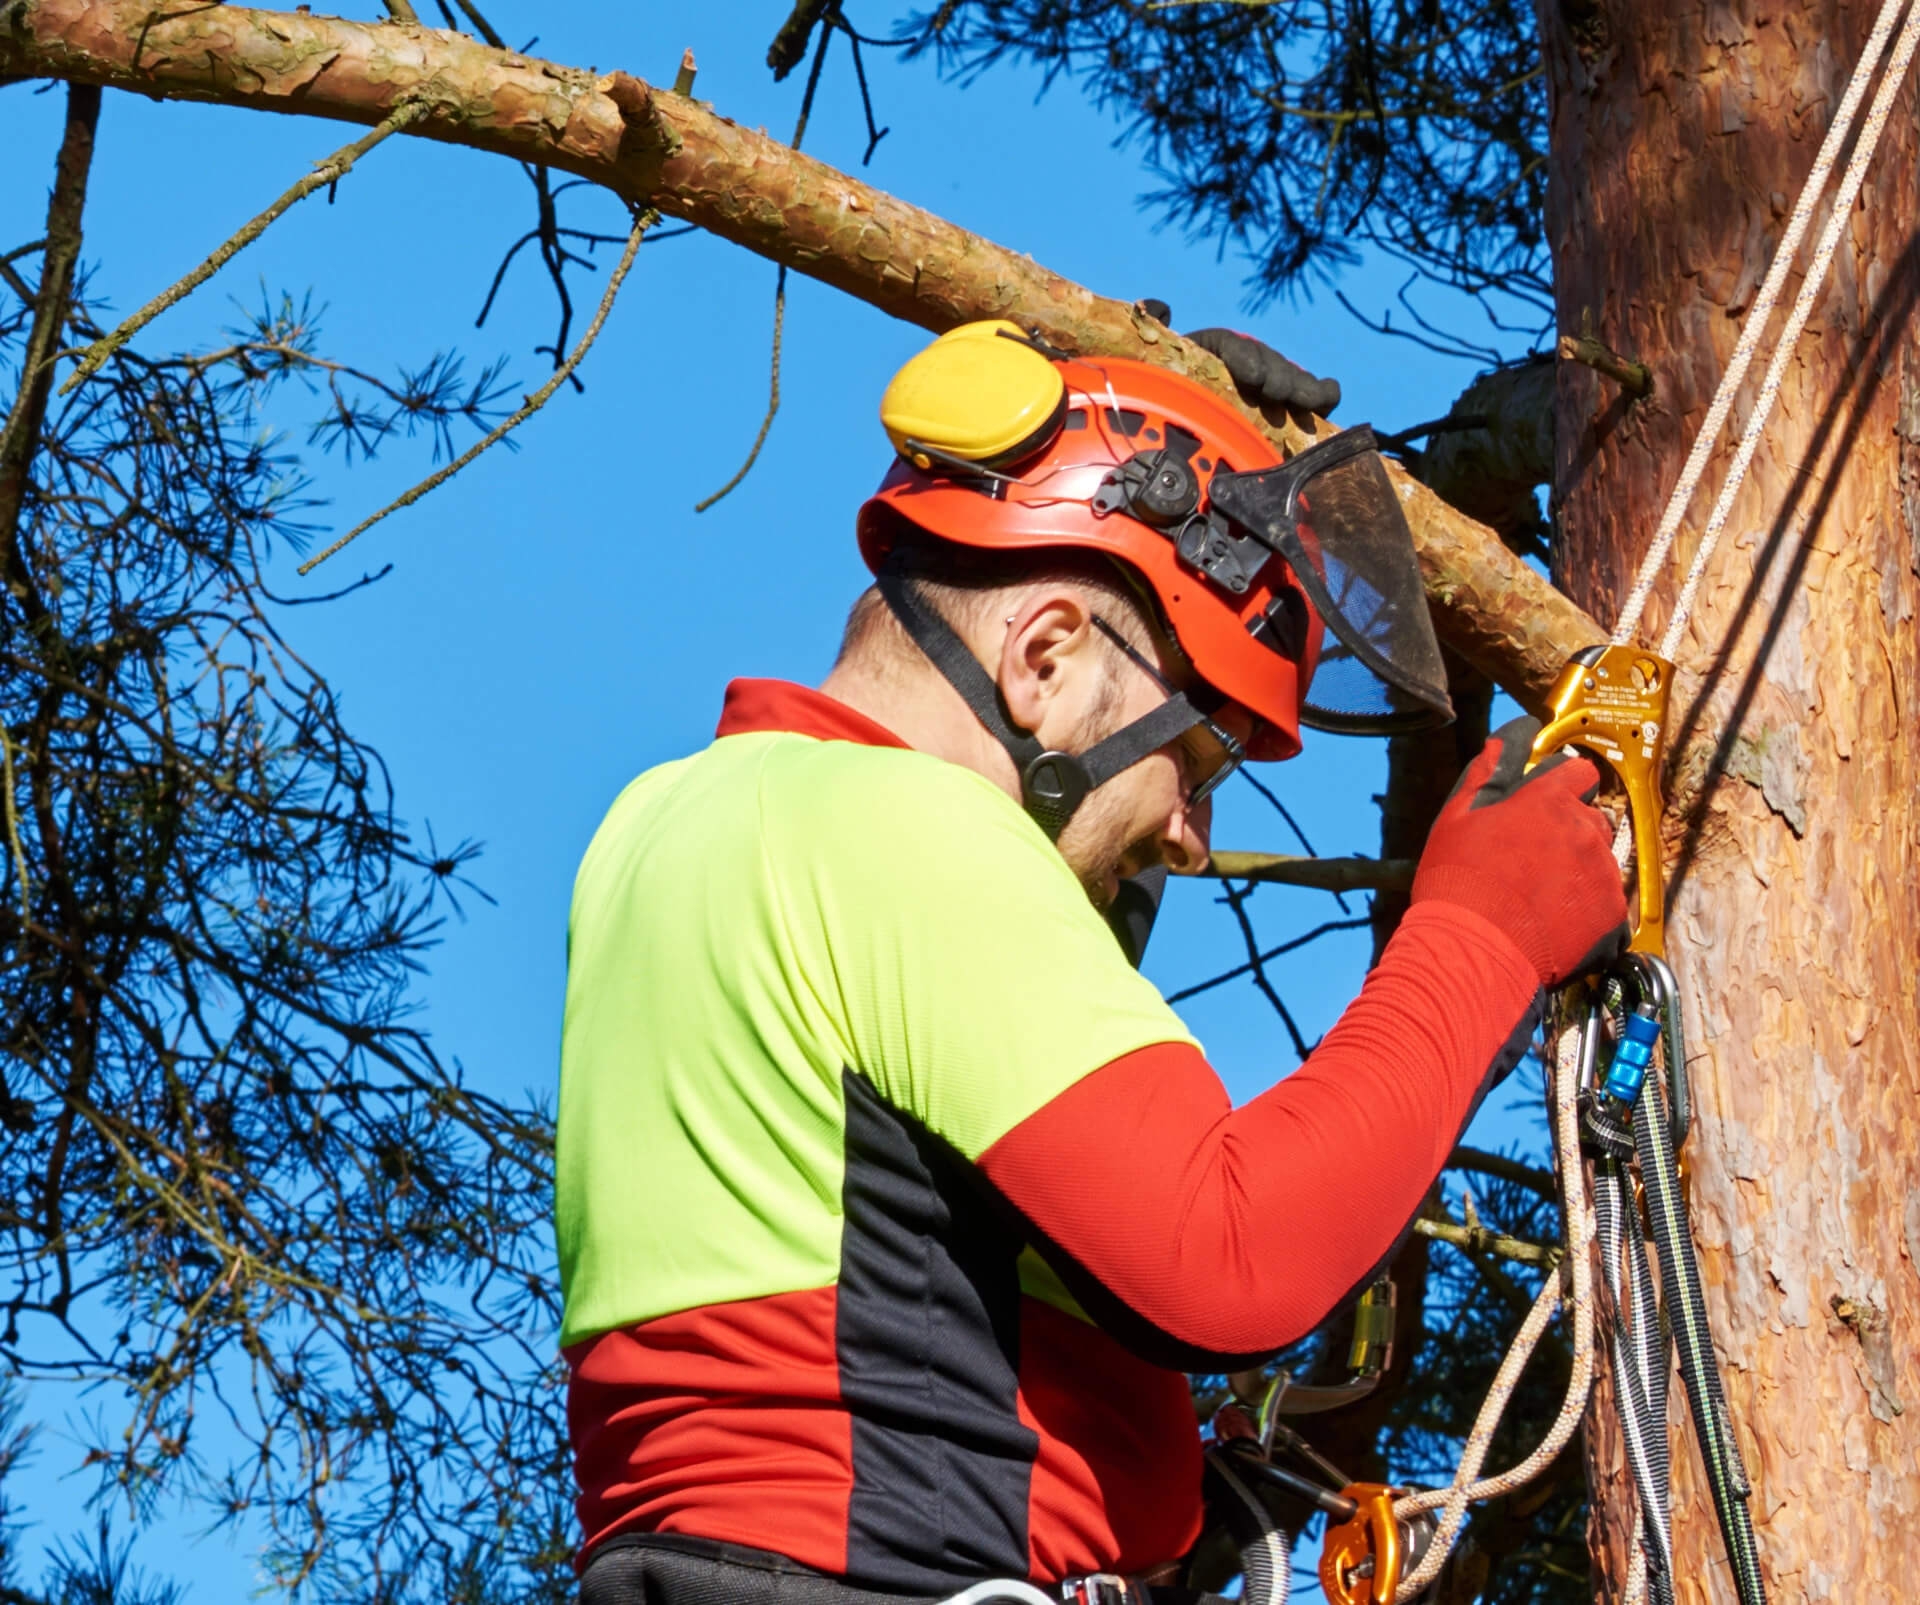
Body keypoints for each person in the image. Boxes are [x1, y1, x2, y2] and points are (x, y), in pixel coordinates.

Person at [555, 322, 1627, 1605]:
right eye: (1199, 759)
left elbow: (902, 1273)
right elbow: (1228, 1254)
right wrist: (1482, 932)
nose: (1189, 829)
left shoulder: (680, 827)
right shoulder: (901, 828)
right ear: (1045, 655)